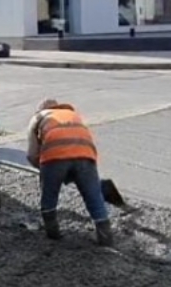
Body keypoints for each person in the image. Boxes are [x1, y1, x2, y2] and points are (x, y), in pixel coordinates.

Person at [26, 99, 113, 247]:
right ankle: (105, 237)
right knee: (94, 196)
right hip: (86, 156)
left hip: (54, 156)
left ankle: (53, 233)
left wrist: (45, 171)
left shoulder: (38, 117)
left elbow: (31, 154)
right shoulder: (72, 115)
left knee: (49, 195)